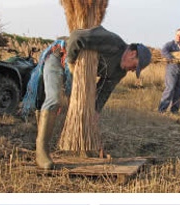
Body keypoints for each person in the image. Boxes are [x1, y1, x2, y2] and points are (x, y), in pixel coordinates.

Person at [21, 26, 153, 169]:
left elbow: (103, 92)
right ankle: (41, 151)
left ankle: (85, 148)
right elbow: (77, 36)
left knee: (84, 108)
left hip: (78, 74)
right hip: (60, 56)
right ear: (132, 53)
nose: (133, 70)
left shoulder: (119, 71)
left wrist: (94, 113)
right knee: (55, 99)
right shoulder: (111, 42)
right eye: (135, 66)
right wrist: (71, 64)